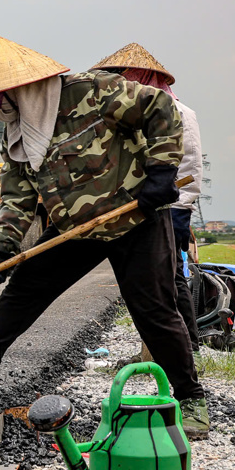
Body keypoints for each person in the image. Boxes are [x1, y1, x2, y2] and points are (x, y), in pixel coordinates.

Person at [0, 36, 209, 439]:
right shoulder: (17, 133)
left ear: (21, 88)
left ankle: (192, 398)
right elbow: (18, 198)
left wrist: (160, 172)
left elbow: (161, 109)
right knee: (26, 285)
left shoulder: (93, 90)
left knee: (154, 310)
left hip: (134, 219)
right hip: (77, 227)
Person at [91, 43, 204, 358]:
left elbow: (190, 165)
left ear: (140, 75)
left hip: (172, 205)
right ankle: (161, 349)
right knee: (157, 280)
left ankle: (185, 347)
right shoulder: (127, 112)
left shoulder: (180, 112)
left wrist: (182, 205)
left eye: (123, 75)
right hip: (141, 206)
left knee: (169, 279)